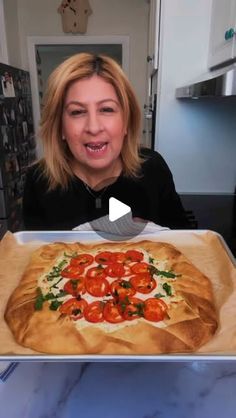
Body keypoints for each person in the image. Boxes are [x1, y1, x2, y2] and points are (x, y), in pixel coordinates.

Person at [23, 53, 190, 231]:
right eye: (77, 112)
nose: (93, 128)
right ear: (60, 127)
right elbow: (39, 254)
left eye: (106, 109)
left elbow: (183, 244)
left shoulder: (153, 169)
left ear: (126, 121)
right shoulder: (39, 180)